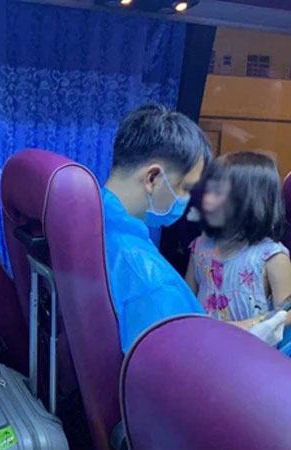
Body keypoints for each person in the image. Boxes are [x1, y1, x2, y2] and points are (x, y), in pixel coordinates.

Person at [102, 105, 286, 353]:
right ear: (153, 178)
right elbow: (188, 355)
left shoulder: (98, 218)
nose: (190, 199)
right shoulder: (149, 279)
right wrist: (244, 338)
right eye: (187, 188)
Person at [186, 152, 291, 345]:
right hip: (204, 347)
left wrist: (247, 325)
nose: (206, 199)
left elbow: (287, 312)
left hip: (249, 354)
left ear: (252, 201)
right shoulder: (200, 247)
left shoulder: (272, 257)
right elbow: (185, 298)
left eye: (218, 192)